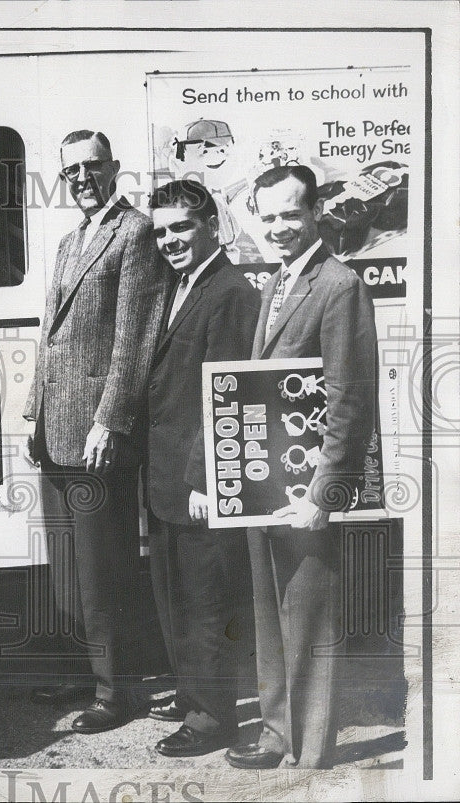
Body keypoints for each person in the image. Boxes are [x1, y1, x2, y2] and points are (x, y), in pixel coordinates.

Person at [224, 164, 377, 770]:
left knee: (308, 615)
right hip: (271, 487)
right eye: (269, 216)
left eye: (292, 214)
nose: (280, 227)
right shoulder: (279, 281)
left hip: (305, 489)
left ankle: (311, 753)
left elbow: (350, 401)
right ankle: (277, 733)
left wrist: (323, 495)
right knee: (271, 615)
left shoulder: (338, 286)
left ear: (315, 213)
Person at [22, 130, 169, 734]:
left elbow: (134, 342)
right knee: (67, 567)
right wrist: (32, 409)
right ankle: (91, 671)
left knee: (100, 565)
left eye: (91, 166)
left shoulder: (133, 233)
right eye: (70, 170)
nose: (80, 177)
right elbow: (50, 337)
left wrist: (110, 420)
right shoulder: (67, 240)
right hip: (55, 430)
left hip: (96, 434)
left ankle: (118, 690)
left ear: (113, 167)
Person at [145, 180, 259, 757]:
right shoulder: (184, 285)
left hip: (197, 479)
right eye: (162, 231)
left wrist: (203, 479)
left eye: (181, 227)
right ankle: (193, 692)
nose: (170, 240)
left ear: (211, 223)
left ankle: (213, 718)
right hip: (165, 474)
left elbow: (225, 392)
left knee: (207, 600)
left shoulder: (230, 292)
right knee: (179, 595)